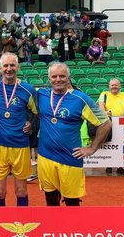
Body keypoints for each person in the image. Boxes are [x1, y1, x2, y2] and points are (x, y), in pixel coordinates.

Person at [36, 62, 111, 206]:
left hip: (70, 158)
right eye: (54, 76)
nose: (58, 79)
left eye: (62, 76)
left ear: (68, 78)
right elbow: (18, 89)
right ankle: (54, 228)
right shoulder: (41, 94)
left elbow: (105, 123)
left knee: (72, 203)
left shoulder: (80, 99)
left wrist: (92, 148)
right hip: (46, 157)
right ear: (49, 78)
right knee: (51, 200)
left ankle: (72, 229)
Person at [0, 52, 37, 206]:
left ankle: (22, 225)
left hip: (20, 145)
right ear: (0, 68)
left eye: (12, 65)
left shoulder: (27, 90)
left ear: (18, 67)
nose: (9, 69)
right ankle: (0, 225)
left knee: (21, 191)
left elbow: (37, 113)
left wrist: (30, 124)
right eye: (5, 66)